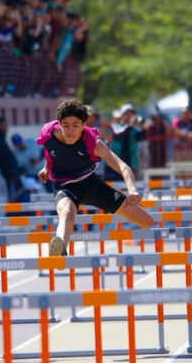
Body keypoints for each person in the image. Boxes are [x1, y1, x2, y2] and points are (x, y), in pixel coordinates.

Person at [37, 99, 153, 256]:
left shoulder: (93, 143)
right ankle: (59, 248)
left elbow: (123, 167)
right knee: (66, 212)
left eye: (75, 125)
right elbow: (51, 153)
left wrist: (132, 190)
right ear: (59, 124)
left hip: (91, 185)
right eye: (66, 125)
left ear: (83, 125)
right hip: (64, 186)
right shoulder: (49, 135)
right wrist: (47, 167)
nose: (70, 131)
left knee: (146, 221)